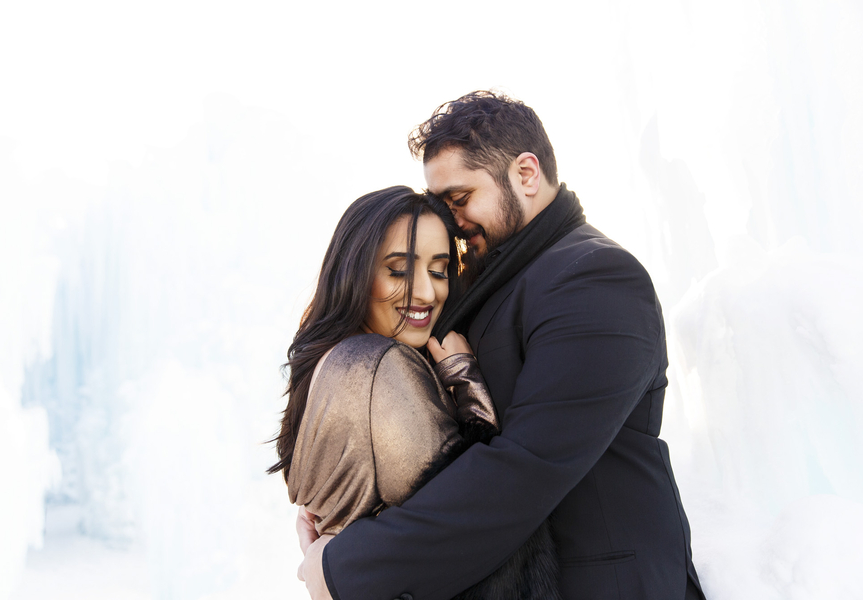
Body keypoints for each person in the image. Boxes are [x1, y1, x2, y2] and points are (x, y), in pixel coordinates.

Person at [299, 91, 706, 600]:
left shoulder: (596, 278)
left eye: (460, 199)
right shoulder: (501, 277)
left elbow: (525, 469)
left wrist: (348, 565)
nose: (453, 223)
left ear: (526, 174)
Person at [272, 185, 561, 599]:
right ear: (355, 272)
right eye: (399, 270)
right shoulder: (379, 365)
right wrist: (467, 383)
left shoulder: (332, 363)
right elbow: (478, 514)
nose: (426, 293)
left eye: (439, 270)